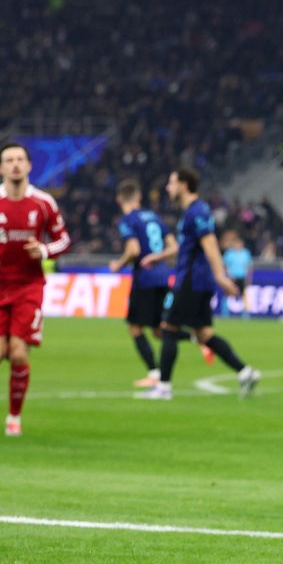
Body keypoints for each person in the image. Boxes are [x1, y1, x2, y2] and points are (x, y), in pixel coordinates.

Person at [0, 142, 71, 437]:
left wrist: (44, 250)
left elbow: (63, 239)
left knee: (19, 354)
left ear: (29, 166)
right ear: (0, 168)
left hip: (29, 287)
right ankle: (13, 347)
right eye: (9, 160)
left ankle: (14, 417)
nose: (15, 165)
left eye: (20, 159)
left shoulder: (44, 203)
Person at [136, 168, 259, 401]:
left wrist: (221, 276)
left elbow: (210, 244)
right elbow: (186, 248)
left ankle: (163, 388)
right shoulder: (191, 212)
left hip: (192, 280)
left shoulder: (198, 211)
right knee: (204, 334)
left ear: (184, 185)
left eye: (171, 183)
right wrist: (159, 257)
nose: (168, 188)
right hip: (196, 280)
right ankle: (246, 372)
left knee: (168, 327)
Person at [108, 179, 177, 388]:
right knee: (158, 329)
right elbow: (174, 247)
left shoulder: (127, 220)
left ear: (119, 199)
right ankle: (199, 339)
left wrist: (118, 265)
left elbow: (134, 250)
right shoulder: (154, 217)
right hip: (163, 276)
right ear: (138, 197)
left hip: (145, 279)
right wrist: (158, 257)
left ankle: (154, 372)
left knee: (135, 326)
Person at [221, 229, 254, 318]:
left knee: (244, 294)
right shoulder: (229, 253)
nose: (238, 245)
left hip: (241, 276)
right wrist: (228, 275)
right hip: (232, 277)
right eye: (236, 243)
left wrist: (249, 277)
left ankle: (245, 313)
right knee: (228, 294)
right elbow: (225, 265)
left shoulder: (246, 253)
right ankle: (225, 312)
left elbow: (249, 266)